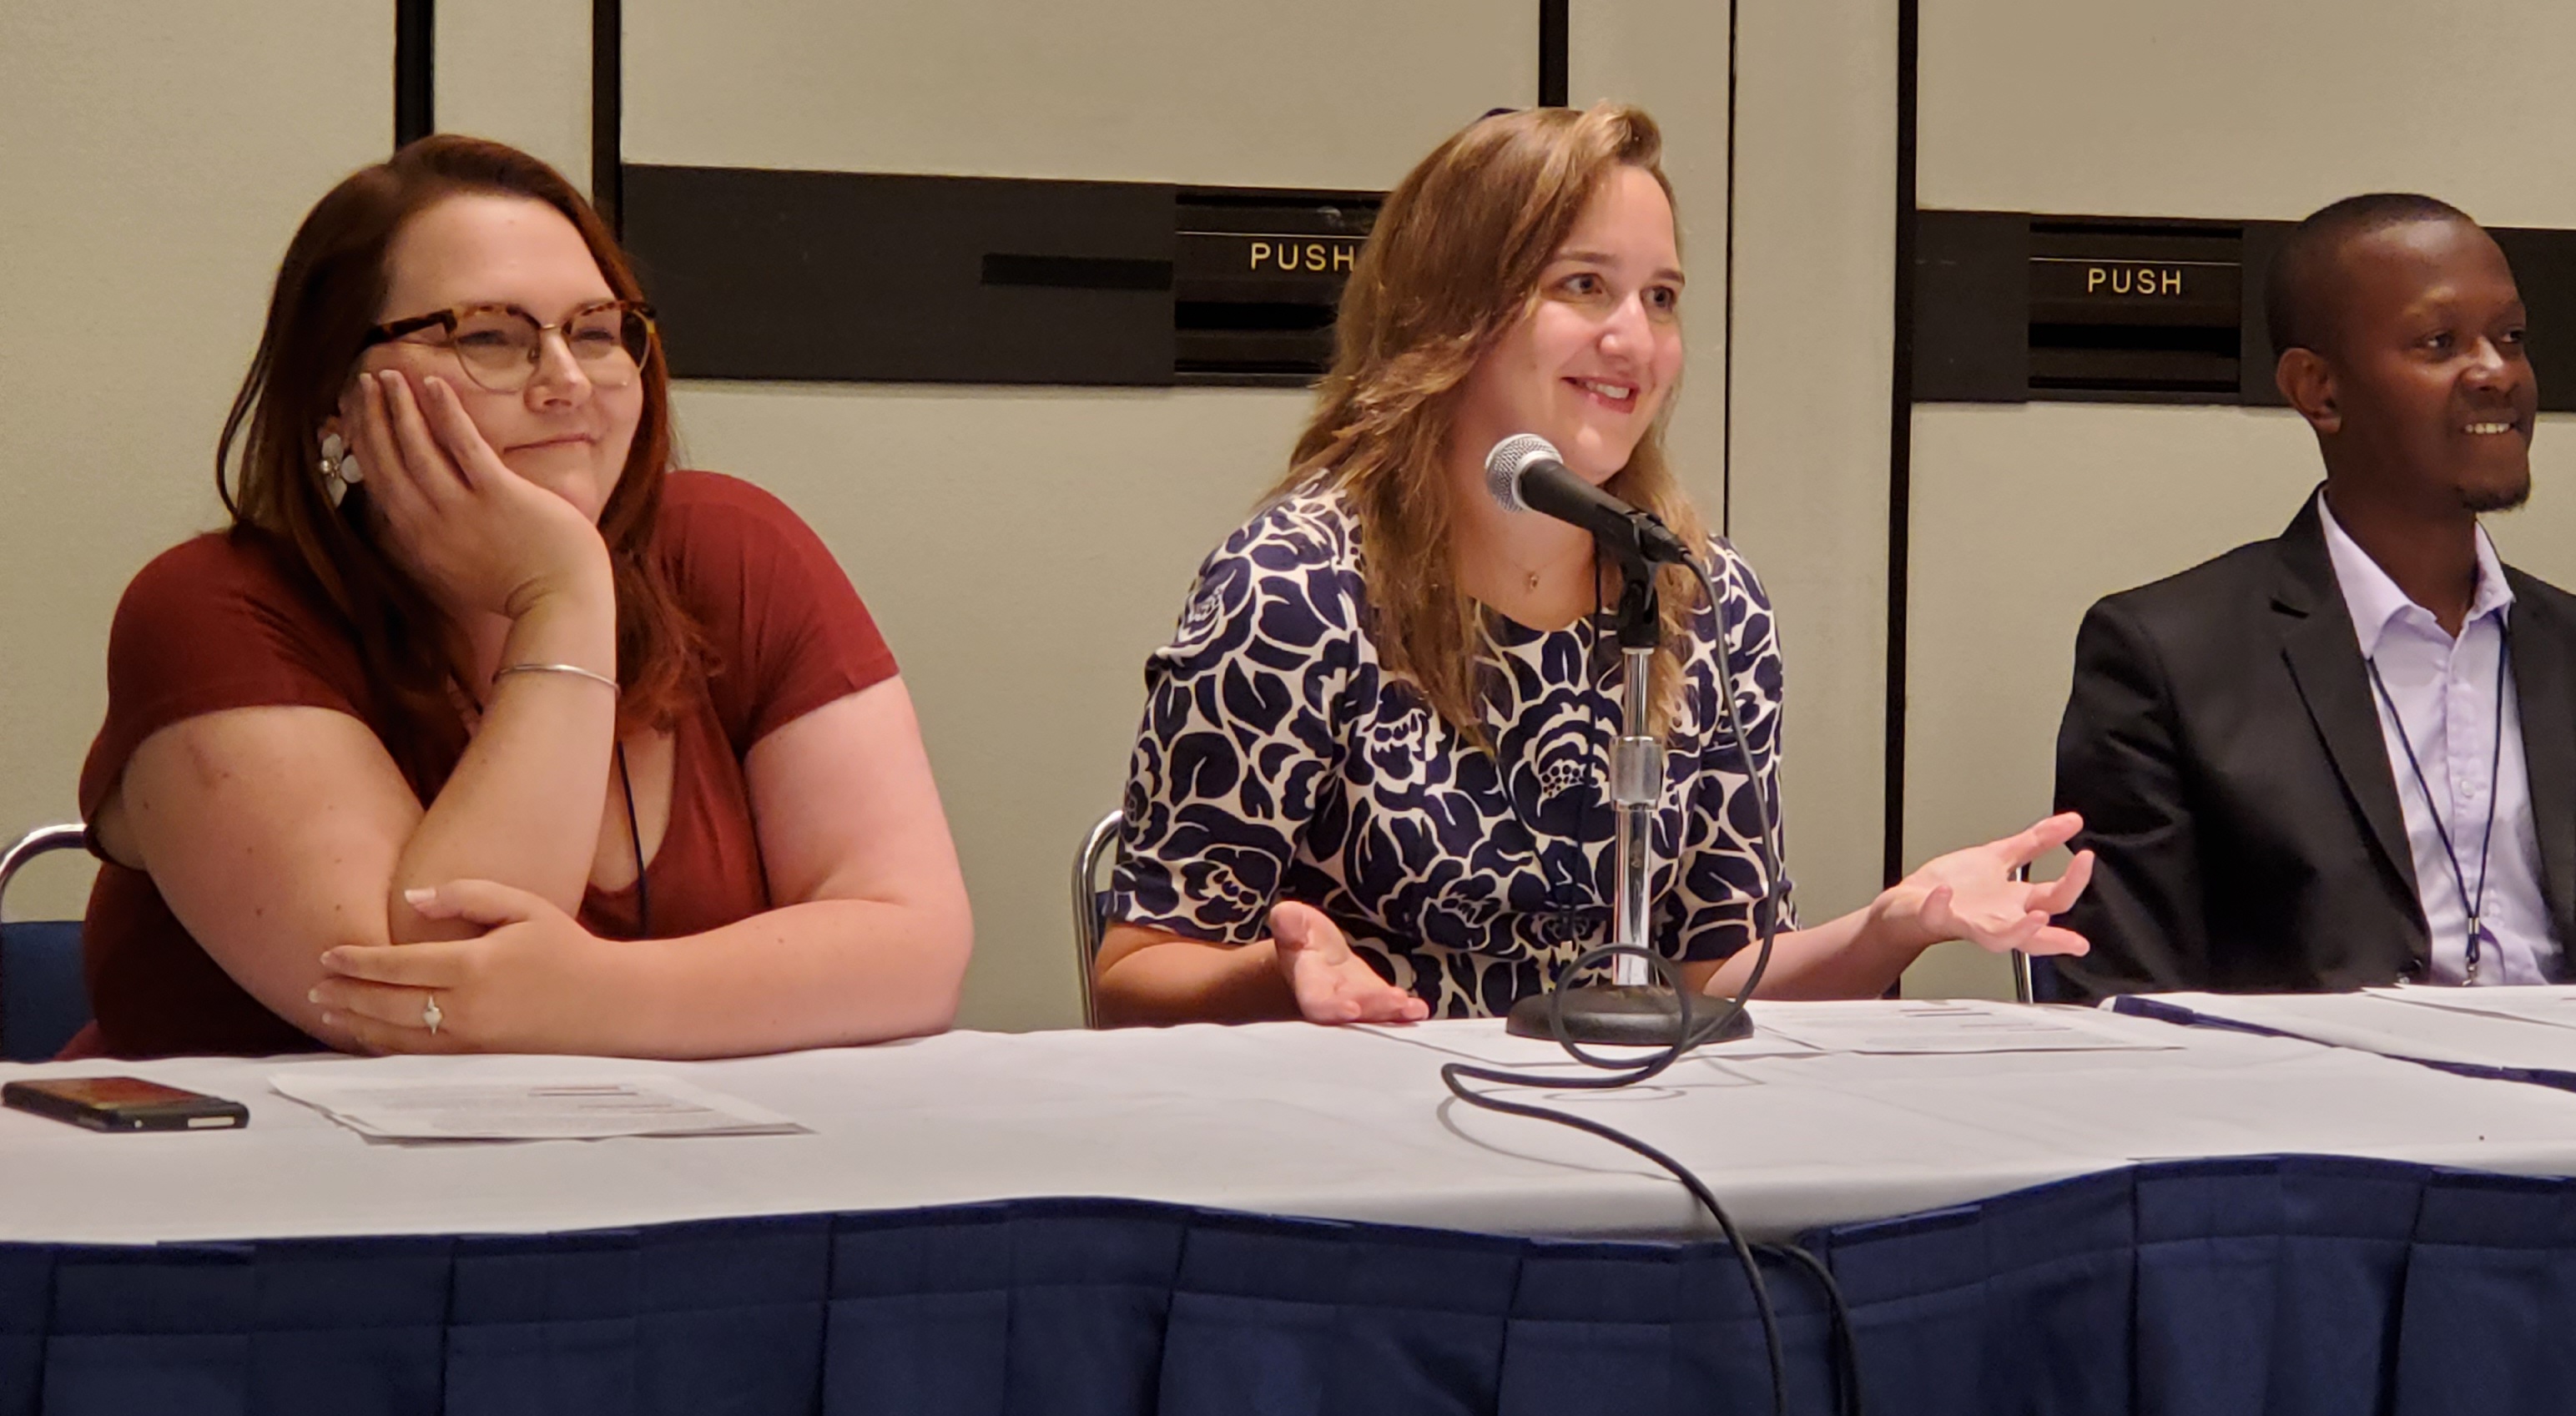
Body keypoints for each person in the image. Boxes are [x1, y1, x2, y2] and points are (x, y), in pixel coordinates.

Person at [1091, 103, 2092, 1026]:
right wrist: (1284, 979)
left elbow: (1718, 976)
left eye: (1659, 297)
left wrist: (1898, 922)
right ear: (1452, 313)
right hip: (1364, 1145)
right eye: (1582, 286)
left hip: (1637, 1147)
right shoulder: (1296, 587)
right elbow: (1134, 973)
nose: (1634, 340)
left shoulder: (1700, 596)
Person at [74, 135, 973, 1057]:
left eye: (595, 330)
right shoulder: (209, 610)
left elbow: (914, 947)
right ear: (333, 394)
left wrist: (593, 995)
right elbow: (428, 1004)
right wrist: (563, 594)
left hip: (663, 1181)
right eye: (489, 336)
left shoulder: (733, 550)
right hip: (260, 1191)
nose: (569, 383)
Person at [2049, 193, 2576, 999]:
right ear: (2318, 391)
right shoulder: (2170, 657)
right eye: (2440, 343)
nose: (2496, 372)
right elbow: (2131, 992)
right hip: (2316, 1110)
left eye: (2510, 338)